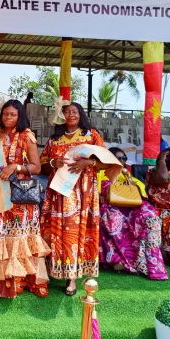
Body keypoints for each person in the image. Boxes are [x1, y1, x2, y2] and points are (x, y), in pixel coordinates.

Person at [0, 99, 50, 306]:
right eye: (5, 114)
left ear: (20, 116)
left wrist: (16, 167)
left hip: (21, 195)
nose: (8, 117)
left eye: (13, 114)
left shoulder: (27, 136)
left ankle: (21, 279)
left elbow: (36, 167)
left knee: (20, 237)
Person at [40, 100, 111, 296]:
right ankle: (52, 270)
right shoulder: (54, 139)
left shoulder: (91, 135)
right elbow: (43, 165)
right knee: (56, 230)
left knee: (76, 231)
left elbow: (108, 162)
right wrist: (54, 162)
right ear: (61, 116)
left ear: (81, 115)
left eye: (75, 111)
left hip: (83, 192)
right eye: (67, 112)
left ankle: (72, 277)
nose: (71, 115)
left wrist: (88, 162)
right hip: (58, 192)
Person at [99, 147, 168, 280]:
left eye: (124, 158)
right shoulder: (100, 172)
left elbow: (140, 192)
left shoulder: (126, 173)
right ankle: (120, 261)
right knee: (114, 218)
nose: (122, 160)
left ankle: (150, 265)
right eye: (118, 158)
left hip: (131, 206)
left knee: (151, 217)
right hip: (111, 206)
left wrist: (128, 180)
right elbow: (97, 191)